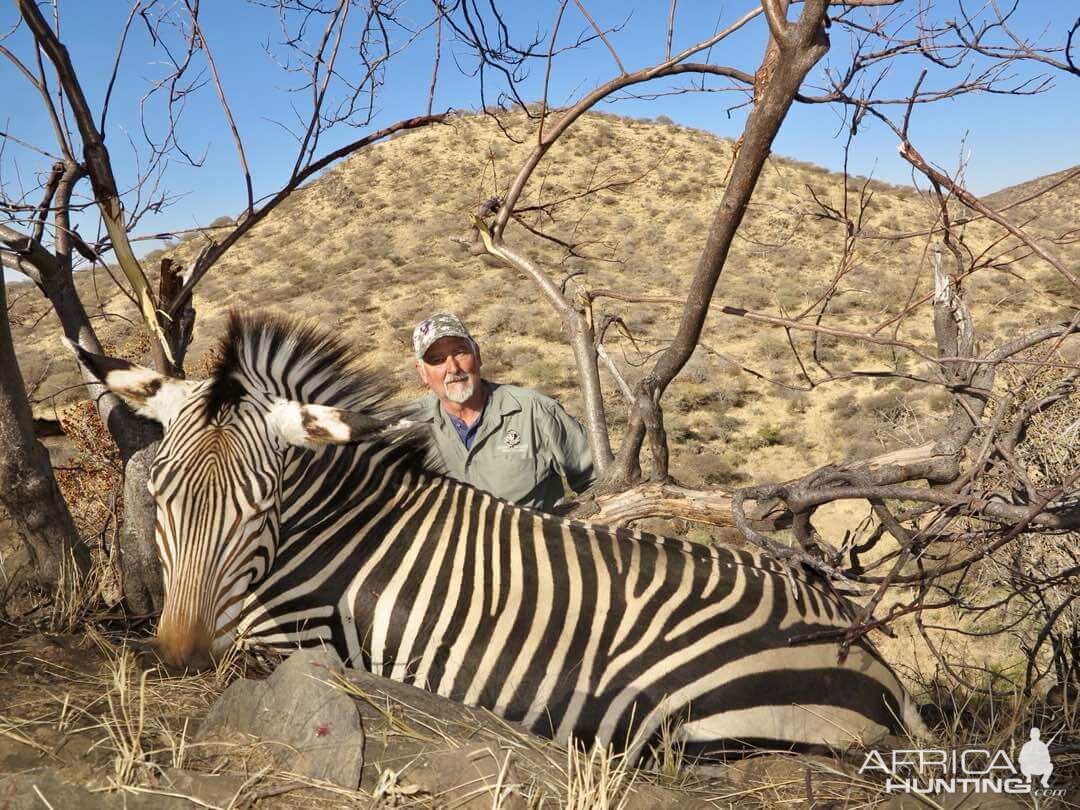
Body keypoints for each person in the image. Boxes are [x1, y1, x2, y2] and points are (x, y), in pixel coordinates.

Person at [412, 312, 595, 512]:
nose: (453, 368)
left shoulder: (535, 411)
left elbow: (600, 481)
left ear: (477, 355)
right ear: (422, 372)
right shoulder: (406, 427)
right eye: (437, 360)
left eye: (460, 352)